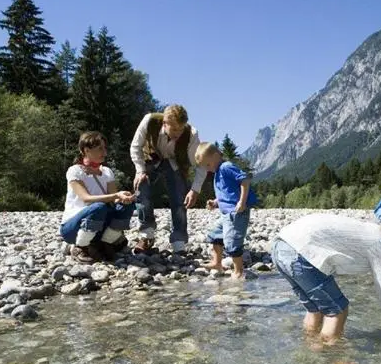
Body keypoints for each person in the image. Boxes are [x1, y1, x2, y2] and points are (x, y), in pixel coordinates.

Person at [270, 192, 381, 345]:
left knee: (316, 309)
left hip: (280, 247)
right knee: (337, 310)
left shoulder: (370, 232)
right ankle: (333, 359)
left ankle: (311, 348)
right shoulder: (379, 244)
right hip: (300, 253)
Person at [129, 104, 208, 255]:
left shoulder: (191, 134)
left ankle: (179, 241)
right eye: (174, 129)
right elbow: (135, 147)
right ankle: (147, 236)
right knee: (141, 186)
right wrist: (140, 170)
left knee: (179, 197)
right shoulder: (149, 121)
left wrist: (194, 190)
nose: (178, 133)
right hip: (150, 159)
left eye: (181, 129)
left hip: (174, 163)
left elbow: (200, 164)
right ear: (165, 123)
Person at [60, 131, 136, 263]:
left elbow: (115, 200)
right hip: (73, 228)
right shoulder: (75, 171)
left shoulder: (106, 172)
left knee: (127, 206)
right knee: (98, 207)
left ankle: (106, 242)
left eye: (105, 148)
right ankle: (81, 246)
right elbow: (86, 198)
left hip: (99, 226)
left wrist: (125, 198)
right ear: (86, 150)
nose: (104, 152)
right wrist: (116, 195)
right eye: (100, 148)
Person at [195, 142, 259, 279]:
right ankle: (217, 263)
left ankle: (239, 271)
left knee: (232, 242)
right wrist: (215, 202)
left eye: (207, 164)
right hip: (226, 215)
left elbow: (245, 181)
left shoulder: (226, 167)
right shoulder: (218, 171)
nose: (207, 169)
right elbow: (227, 193)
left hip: (236, 213)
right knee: (215, 235)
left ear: (216, 156)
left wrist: (242, 202)